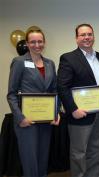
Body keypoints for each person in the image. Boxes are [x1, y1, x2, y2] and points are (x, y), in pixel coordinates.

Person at [57, 23, 99, 177]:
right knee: (79, 153)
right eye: (83, 35)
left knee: (96, 149)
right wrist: (73, 109)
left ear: (93, 36)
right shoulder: (68, 58)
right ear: (76, 38)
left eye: (89, 34)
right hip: (80, 114)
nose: (87, 37)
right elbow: (62, 87)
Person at [7, 29, 60, 177]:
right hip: (27, 121)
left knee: (43, 160)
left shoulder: (50, 63)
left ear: (44, 42)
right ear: (27, 43)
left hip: (45, 120)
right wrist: (20, 118)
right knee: (30, 162)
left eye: (40, 41)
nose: (37, 45)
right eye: (33, 42)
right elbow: (11, 93)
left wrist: (56, 112)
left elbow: (54, 91)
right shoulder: (19, 62)